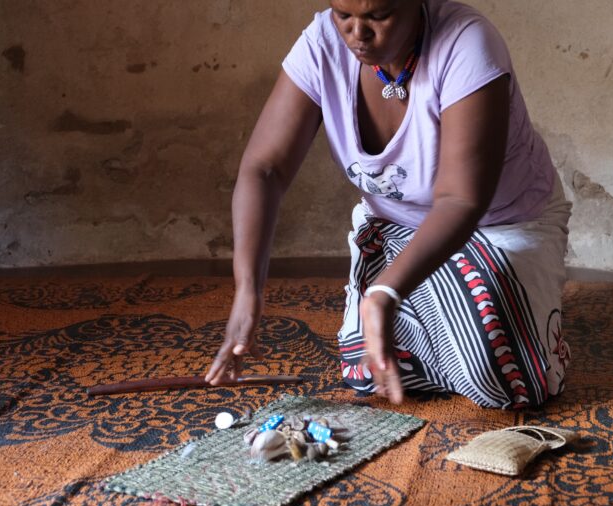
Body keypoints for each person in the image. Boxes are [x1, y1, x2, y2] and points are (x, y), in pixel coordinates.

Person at [205, 0, 572, 409]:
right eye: (343, 15)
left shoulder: (467, 44)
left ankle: (491, 315)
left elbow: (460, 200)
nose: (357, 34)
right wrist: (248, 290)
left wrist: (384, 291)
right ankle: (452, 317)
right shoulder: (322, 43)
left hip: (500, 225)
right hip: (394, 228)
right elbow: (265, 169)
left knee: (502, 380)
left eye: (378, 16)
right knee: (365, 369)